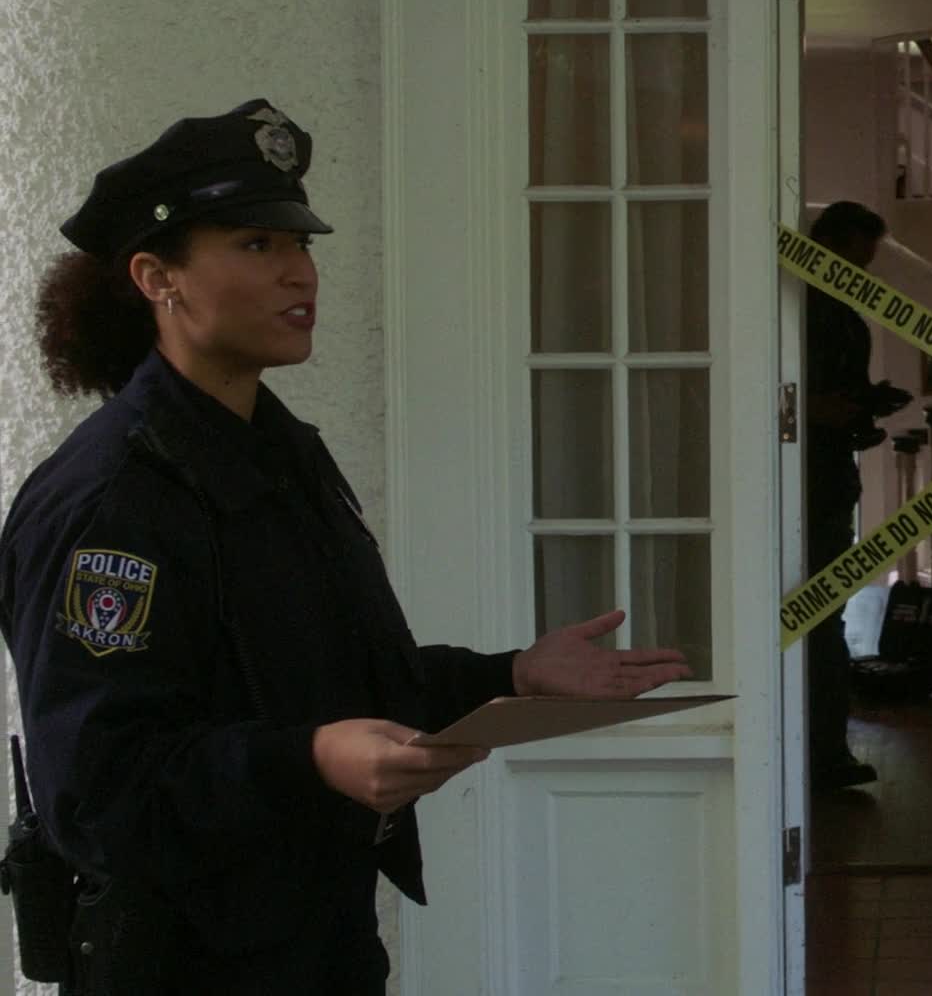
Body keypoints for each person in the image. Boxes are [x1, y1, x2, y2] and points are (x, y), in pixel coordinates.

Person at [0, 98, 693, 993]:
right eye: (257, 244)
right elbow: (98, 793)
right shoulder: (111, 500)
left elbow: (325, 684)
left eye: (301, 243)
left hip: (316, 944)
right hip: (184, 967)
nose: (300, 272)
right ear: (156, 277)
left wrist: (512, 675)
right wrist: (313, 760)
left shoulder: (278, 453)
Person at [802, 201, 909, 791]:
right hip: (814, 479)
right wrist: (844, 410)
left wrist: (863, 408)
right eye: (854, 262)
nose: (859, 276)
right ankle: (823, 754)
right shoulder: (811, 315)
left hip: (826, 475)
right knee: (822, 621)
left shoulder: (837, 317)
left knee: (824, 618)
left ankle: (821, 751)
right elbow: (802, 400)